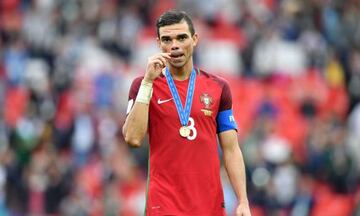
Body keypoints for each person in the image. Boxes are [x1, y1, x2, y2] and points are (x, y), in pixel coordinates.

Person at [122, 9, 251, 216]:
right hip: (163, 205)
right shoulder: (143, 85)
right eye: (167, 39)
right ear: (158, 43)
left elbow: (231, 149)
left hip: (209, 204)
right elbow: (132, 138)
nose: (174, 45)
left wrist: (243, 200)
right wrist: (148, 82)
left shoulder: (218, 88)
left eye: (181, 37)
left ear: (195, 39)